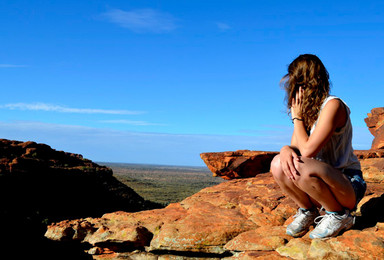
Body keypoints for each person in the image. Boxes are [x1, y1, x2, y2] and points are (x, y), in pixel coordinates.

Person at [270, 54, 367, 239]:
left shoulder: (333, 105)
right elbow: (295, 150)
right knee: (277, 164)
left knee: (301, 167)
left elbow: (307, 152)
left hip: (348, 185)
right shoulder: (308, 112)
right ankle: (308, 211)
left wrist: (297, 118)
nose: (293, 89)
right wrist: (285, 149)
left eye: (297, 83)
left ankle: (339, 215)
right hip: (323, 186)